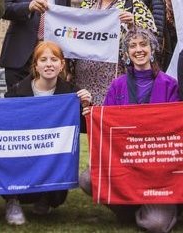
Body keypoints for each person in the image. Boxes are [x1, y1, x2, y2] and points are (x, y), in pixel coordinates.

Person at [80, 28, 179, 233]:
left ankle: (166, 207)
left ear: (153, 50)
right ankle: (127, 211)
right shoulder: (117, 85)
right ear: (126, 54)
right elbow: (107, 126)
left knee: (156, 225)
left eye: (144, 44)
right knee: (88, 178)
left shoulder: (170, 84)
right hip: (127, 164)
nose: (138, 49)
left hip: (159, 171)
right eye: (132, 46)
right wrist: (94, 114)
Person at [3, 41, 92, 225]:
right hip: (23, 153)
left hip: (51, 157)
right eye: (43, 60)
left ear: (61, 65)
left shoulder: (71, 93)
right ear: (36, 65)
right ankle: (13, 200)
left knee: (58, 194)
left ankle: (46, 197)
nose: (49, 64)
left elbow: (83, 128)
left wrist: (86, 107)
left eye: (54, 59)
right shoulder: (17, 91)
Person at [72, 0, 157, 105]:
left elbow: (151, 39)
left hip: (115, 82)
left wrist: (133, 24)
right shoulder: (87, 5)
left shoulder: (133, 4)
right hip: (83, 82)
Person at [0, 0, 71, 91]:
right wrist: (28, 7)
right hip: (19, 57)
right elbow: (2, 9)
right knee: (18, 102)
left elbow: (68, 20)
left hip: (53, 58)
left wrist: (68, 67)